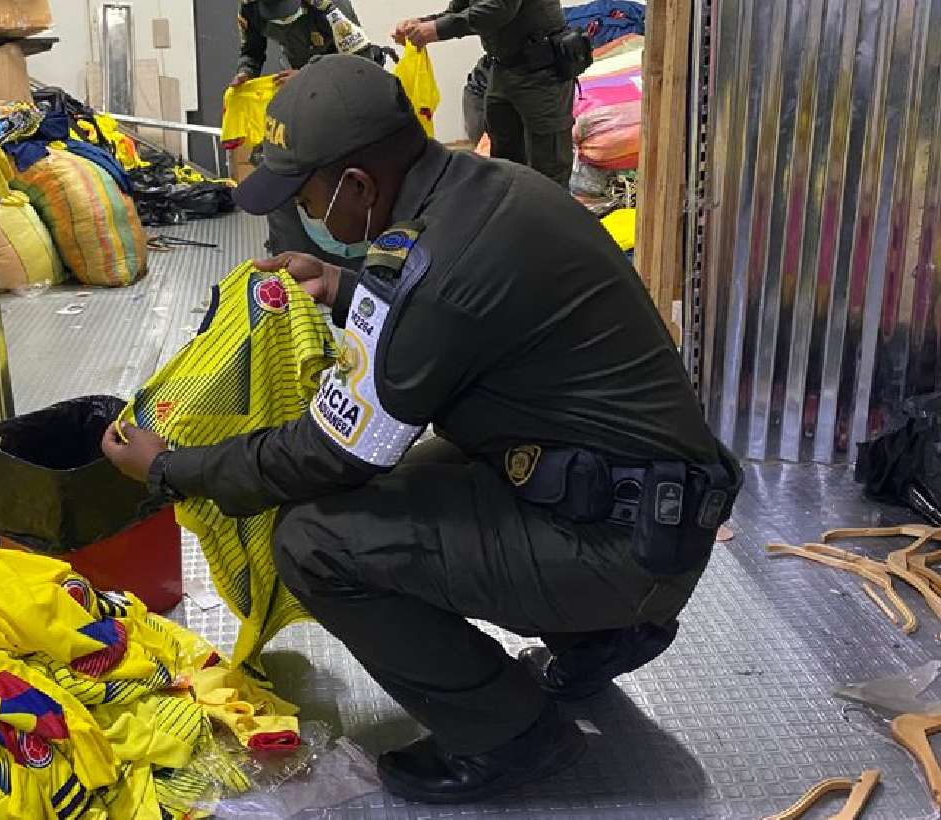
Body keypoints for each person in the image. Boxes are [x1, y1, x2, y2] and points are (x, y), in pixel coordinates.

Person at [104, 56, 740, 805]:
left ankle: (509, 737)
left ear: (357, 186)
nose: (302, 211)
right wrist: (341, 287)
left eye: (306, 194)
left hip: (621, 547)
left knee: (315, 540)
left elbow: (333, 453)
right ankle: (601, 636)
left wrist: (172, 468)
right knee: (433, 465)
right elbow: (448, 324)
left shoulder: (438, 265)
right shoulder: (486, 192)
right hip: (637, 507)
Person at [232, 0, 380, 267]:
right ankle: (289, 257)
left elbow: (361, 59)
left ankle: (354, 268)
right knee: (281, 172)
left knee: (339, 177)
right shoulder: (251, 6)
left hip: (345, 91)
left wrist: (310, 74)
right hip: (299, 93)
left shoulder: (326, 5)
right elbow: (252, 50)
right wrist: (246, 73)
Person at [395, 1, 575, 187]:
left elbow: (498, 9)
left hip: (541, 72)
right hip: (502, 68)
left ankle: (550, 214)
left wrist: (435, 29)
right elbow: (459, 9)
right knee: (504, 160)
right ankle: (517, 211)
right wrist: (420, 25)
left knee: (549, 166)